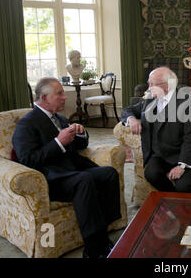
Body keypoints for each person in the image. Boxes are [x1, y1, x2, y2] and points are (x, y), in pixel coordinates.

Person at [12, 77, 121, 258]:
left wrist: (80, 132)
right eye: (59, 94)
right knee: (84, 180)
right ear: (44, 98)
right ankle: (93, 249)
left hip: (73, 171)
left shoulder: (60, 118)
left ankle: (104, 230)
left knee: (108, 173)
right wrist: (58, 142)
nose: (64, 97)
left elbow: (80, 145)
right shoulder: (26, 124)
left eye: (63, 93)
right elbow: (27, 160)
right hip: (52, 178)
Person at [121, 67, 191, 193]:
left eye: (152, 84)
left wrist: (181, 165)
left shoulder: (187, 103)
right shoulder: (150, 99)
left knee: (183, 186)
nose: (148, 88)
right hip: (159, 156)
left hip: (180, 154)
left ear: (167, 86)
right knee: (151, 174)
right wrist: (131, 119)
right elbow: (128, 110)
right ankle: (173, 199)